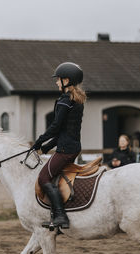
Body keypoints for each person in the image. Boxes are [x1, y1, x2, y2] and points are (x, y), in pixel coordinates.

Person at [31, 62, 87, 229]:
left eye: (59, 80)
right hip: (71, 146)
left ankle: (61, 216)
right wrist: (47, 147)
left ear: (67, 80)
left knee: (43, 178)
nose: (56, 83)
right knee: (56, 176)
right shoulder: (76, 100)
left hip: (65, 150)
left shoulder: (65, 100)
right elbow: (65, 131)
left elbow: (55, 127)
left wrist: (38, 142)